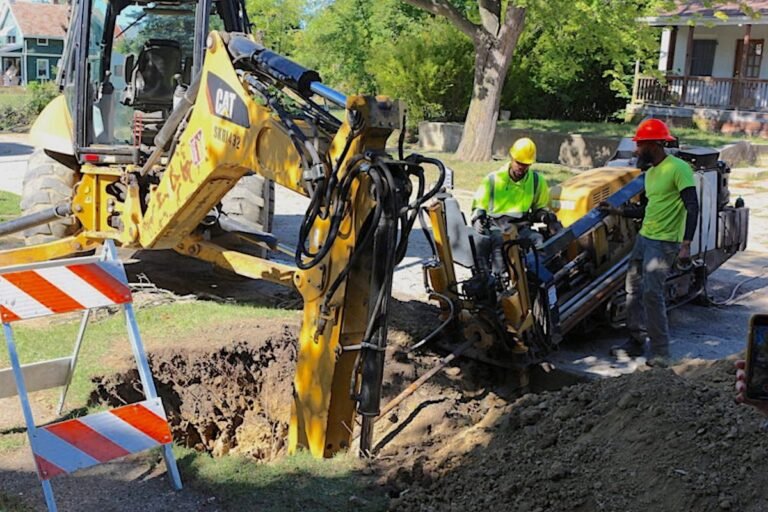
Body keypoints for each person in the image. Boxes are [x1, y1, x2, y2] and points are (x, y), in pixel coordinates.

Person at [603, 119, 699, 367]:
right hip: (645, 238)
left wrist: (686, 243)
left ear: (655, 144)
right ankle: (636, 340)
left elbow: (692, 206)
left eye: (640, 145)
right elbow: (648, 208)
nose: (636, 151)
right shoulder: (652, 173)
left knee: (652, 294)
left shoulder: (679, 168)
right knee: (632, 289)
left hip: (665, 242)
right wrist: (618, 212)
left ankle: (661, 352)